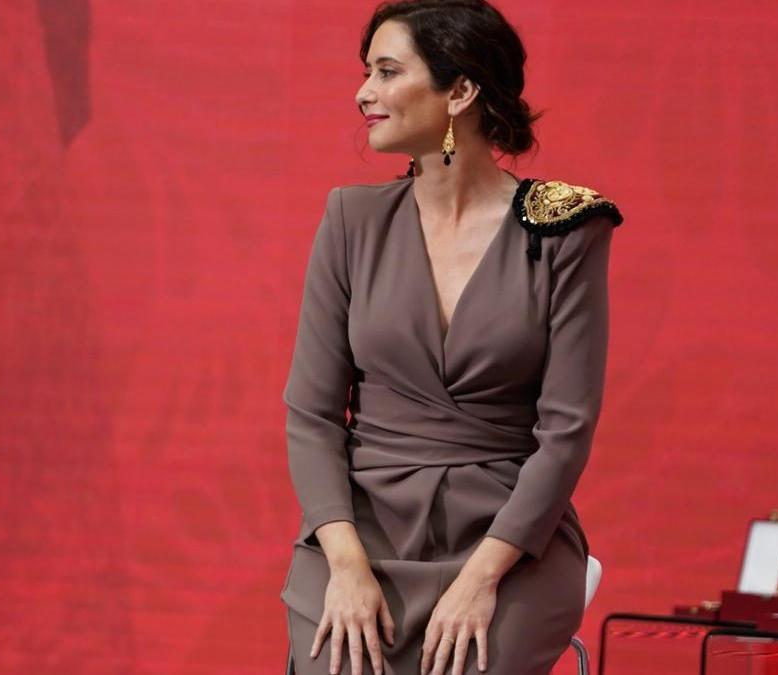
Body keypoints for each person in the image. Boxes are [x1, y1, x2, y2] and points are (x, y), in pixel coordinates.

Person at [279, 1, 623, 674]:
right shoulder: (350, 220)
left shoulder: (564, 231)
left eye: (386, 71)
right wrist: (345, 566)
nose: (363, 93)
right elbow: (312, 416)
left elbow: (566, 432)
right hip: (363, 526)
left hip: (508, 536)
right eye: (366, 73)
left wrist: (481, 578)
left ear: (461, 90)